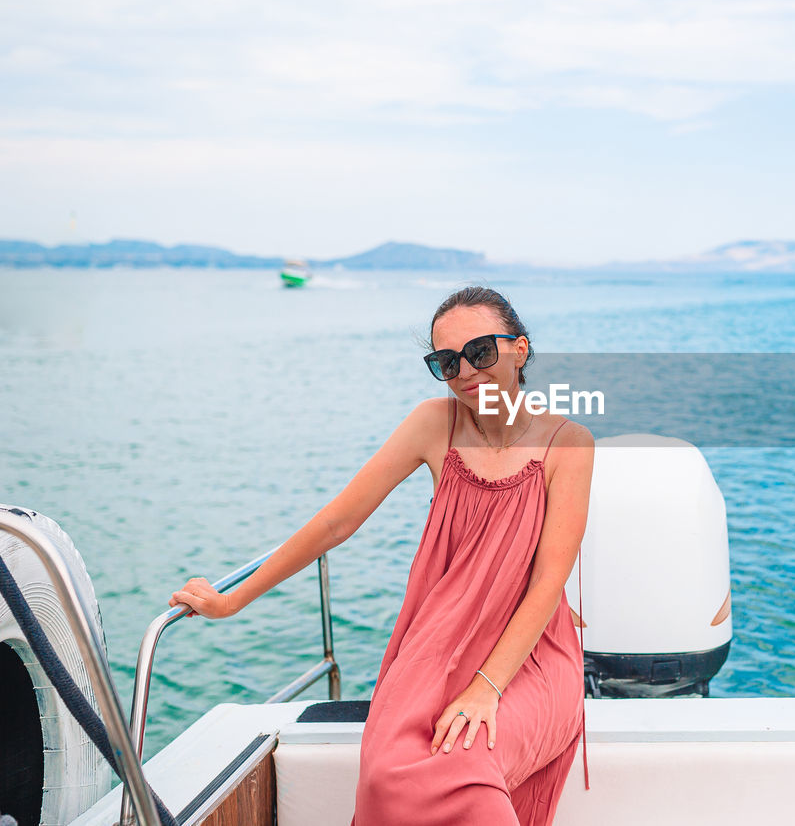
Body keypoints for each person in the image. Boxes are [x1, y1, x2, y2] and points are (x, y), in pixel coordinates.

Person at [169, 285, 595, 825]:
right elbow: (336, 522)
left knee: (466, 761)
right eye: (447, 361)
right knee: (387, 770)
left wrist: (487, 688)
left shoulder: (569, 444)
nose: (466, 371)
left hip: (529, 656)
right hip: (441, 641)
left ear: (519, 350)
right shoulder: (433, 424)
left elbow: (547, 583)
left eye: (481, 352)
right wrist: (232, 602)